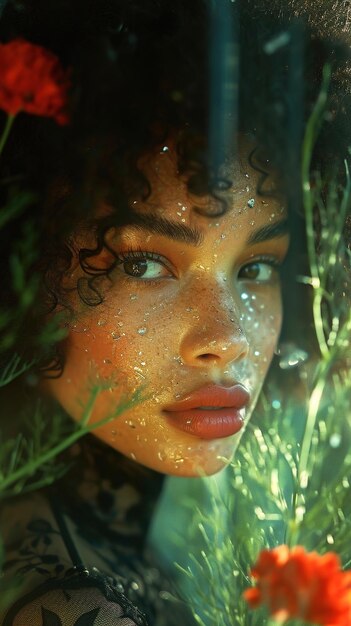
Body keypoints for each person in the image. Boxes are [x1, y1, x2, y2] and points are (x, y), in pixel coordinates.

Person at [0, 0, 349, 625]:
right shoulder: (70, 607)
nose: (228, 339)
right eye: (142, 265)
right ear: (22, 264)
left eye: (256, 268)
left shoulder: (138, 545)